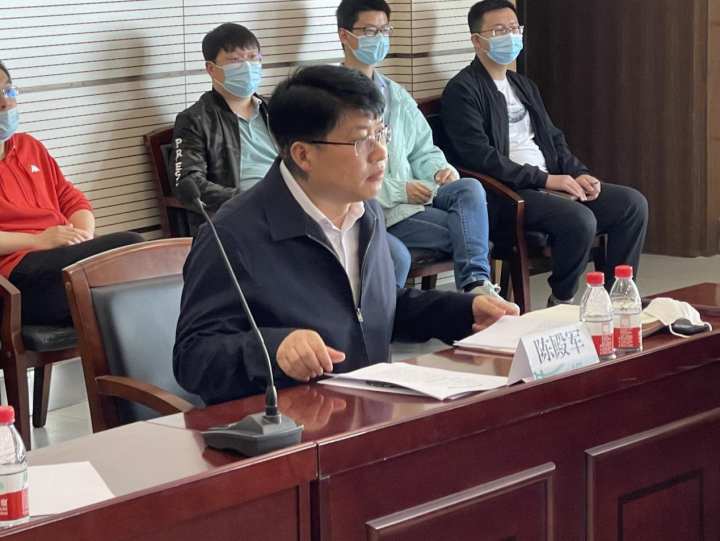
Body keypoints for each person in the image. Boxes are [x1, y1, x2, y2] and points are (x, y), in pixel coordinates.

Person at [173, 65, 518, 405]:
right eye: (362, 140)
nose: (381, 153)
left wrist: (464, 312)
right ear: (303, 154)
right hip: (288, 426)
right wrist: (274, 348)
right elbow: (193, 358)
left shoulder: (365, 212)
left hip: (368, 411)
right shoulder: (232, 236)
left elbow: (374, 311)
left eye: (381, 134)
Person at [441, 0, 648, 306]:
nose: (510, 36)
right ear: (477, 40)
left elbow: (553, 139)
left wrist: (579, 173)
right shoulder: (463, 90)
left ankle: (616, 297)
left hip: (550, 182)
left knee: (631, 204)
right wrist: (546, 180)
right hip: (508, 194)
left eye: (514, 28)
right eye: (499, 30)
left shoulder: (523, 85)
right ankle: (561, 301)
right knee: (579, 220)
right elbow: (480, 157)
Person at [173, 22, 411, 286]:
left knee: (393, 256)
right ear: (211, 68)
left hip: (305, 204)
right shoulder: (196, 119)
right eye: (236, 60)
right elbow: (189, 183)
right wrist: (249, 198)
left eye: (253, 57)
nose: (247, 66)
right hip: (252, 215)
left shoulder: (275, 109)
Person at [336, 0, 503, 298]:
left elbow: (423, 149)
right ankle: (473, 289)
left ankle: (476, 286)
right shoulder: (331, 98)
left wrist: (440, 170)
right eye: (370, 31)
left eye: (384, 30)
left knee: (469, 189)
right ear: (344, 35)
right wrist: (400, 191)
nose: (379, 38)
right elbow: (340, 172)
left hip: (414, 202)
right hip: (374, 209)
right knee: (470, 235)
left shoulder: (395, 93)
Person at [0, 61, 144, 325]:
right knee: (131, 247)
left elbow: (69, 197)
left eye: (8, 91)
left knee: (137, 266)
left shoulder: (29, 146)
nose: (5, 103)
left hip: (60, 258)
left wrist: (83, 237)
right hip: (16, 276)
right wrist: (37, 241)